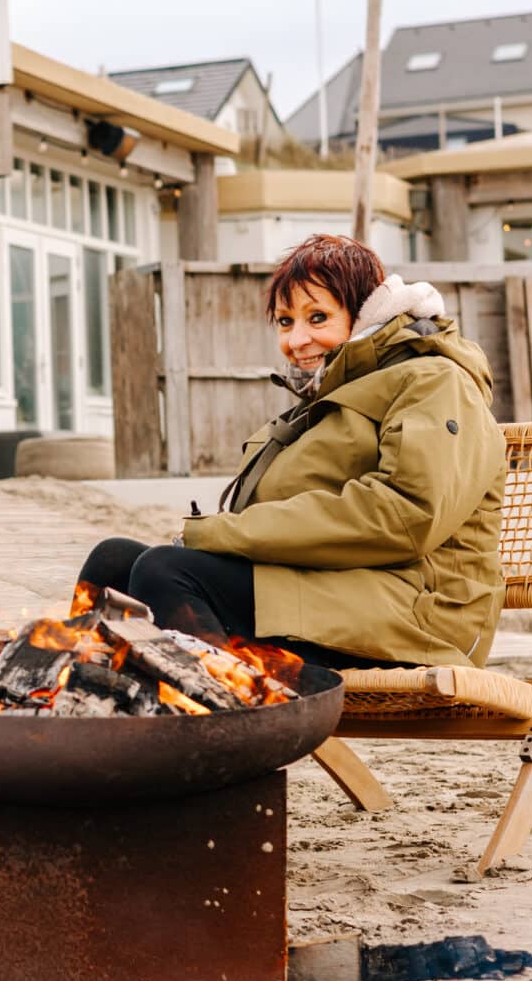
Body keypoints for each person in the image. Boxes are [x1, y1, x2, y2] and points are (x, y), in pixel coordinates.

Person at [77, 233, 506, 670]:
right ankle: (95, 713)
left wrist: (223, 534)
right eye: (285, 322)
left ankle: (229, 726)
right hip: (339, 590)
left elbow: (405, 516)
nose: (297, 339)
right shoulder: (334, 394)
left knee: (166, 572)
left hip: (419, 617)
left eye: (317, 317)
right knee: (115, 564)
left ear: (364, 313)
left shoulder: (434, 382)